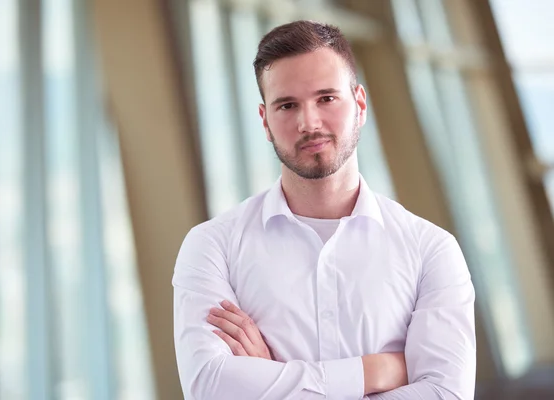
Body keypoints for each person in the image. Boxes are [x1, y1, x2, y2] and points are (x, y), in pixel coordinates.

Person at [173, 20, 476, 400]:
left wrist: (272, 378)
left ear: (360, 104)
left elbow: (447, 394)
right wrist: (375, 371)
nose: (309, 123)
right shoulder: (213, 246)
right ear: (265, 121)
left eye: (326, 98)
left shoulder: (430, 249)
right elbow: (210, 387)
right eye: (287, 105)